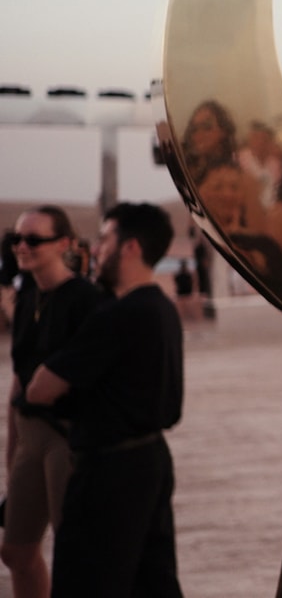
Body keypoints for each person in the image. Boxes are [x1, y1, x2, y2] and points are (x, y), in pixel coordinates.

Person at [25, 202, 184, 598]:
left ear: (129, 247)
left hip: (109, 473)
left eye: (105, 239)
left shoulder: (118, 315)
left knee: (87, 583)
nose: (96, 248)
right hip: (150, 462)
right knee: (152, 583)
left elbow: (39, 388)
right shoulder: (161, 308)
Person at [2, 208, 105, 598]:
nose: (22, 247)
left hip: (67, 439)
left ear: (63, 244)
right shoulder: (27, 296)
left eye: (33, 239)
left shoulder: (85, 299)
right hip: (30, 438)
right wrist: (12, 452)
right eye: (17, 239)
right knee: (16, 551)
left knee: (75, 552)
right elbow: (19, 379)